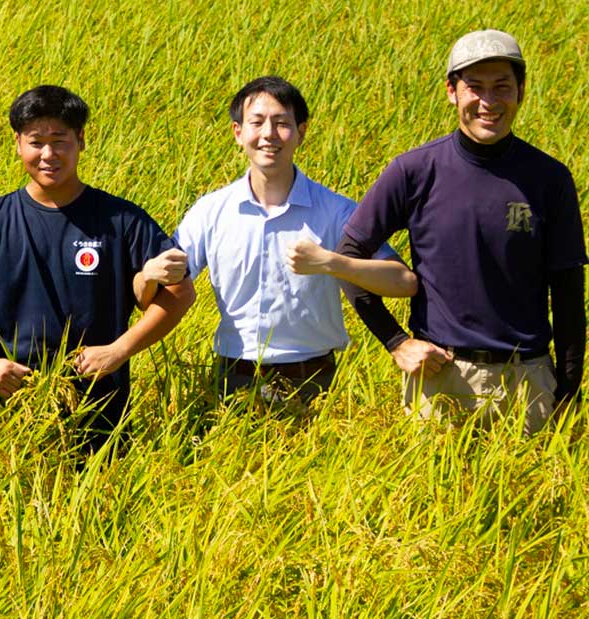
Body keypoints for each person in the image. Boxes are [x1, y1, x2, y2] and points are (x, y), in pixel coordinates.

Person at [339, 29, 586, 434]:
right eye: (475, 87)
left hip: (530, 382)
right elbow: (347, 258)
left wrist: (568, 388)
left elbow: (568, 290)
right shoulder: (415, 171)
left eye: (502, 87)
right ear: (452, 91)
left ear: (521, 91)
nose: (488, 102)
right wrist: (396, 341)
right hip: (441, 380)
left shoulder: (550, 179)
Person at [0, 85, 195, 445]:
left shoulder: (120, 219)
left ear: (81, 140)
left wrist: (119, 350)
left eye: (60, 140)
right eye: (36, 142)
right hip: (7, 405)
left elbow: (180, 292)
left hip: (102, 407)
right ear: (17, 143)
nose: (48, 154)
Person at [138, 76, 416, 408]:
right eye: (257, 122)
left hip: (313, 378)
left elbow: (404, 282)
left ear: (302, 132)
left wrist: (332, 263)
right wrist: (148, 275)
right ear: (238, 133)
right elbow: (151, 295)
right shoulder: (211, 211)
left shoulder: (335, 211)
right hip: (233, 376)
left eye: (282, 123)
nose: (269, 134)